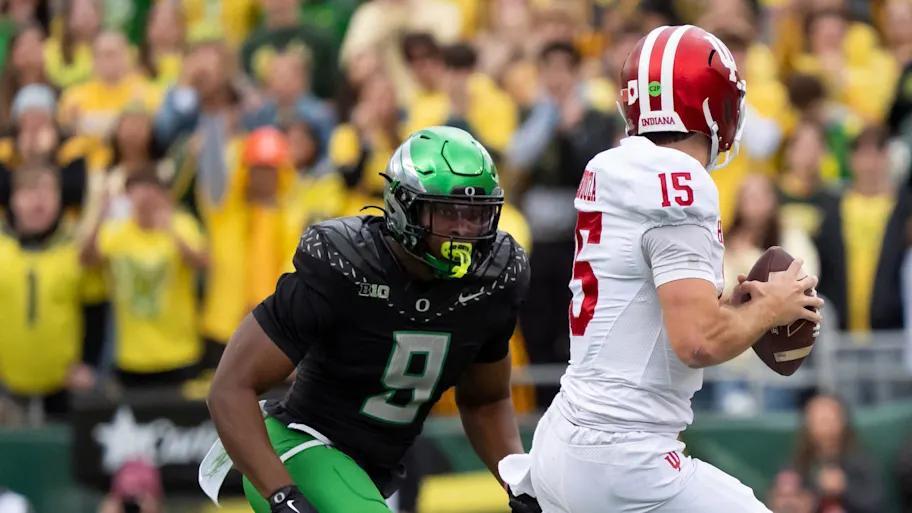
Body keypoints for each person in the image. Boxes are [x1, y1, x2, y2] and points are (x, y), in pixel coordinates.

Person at [500, 25, 823, 513]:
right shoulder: (678, 178)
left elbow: (643, 301)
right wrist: (770, 308)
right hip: (623, 455)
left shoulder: (609, 165)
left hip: (565, 437)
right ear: (712, 105)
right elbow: (698, 342)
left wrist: (728, 307)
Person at [203, 126, 536, 513]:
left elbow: (485, 401)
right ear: (405, 206)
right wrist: (282, 495)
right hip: (299, 447)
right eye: (447, 212)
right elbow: (230, 387)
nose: (463, 230)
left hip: (375, 468)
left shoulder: (494, 279)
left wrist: (520, 485)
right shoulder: (347, 263)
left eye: (477, 215)